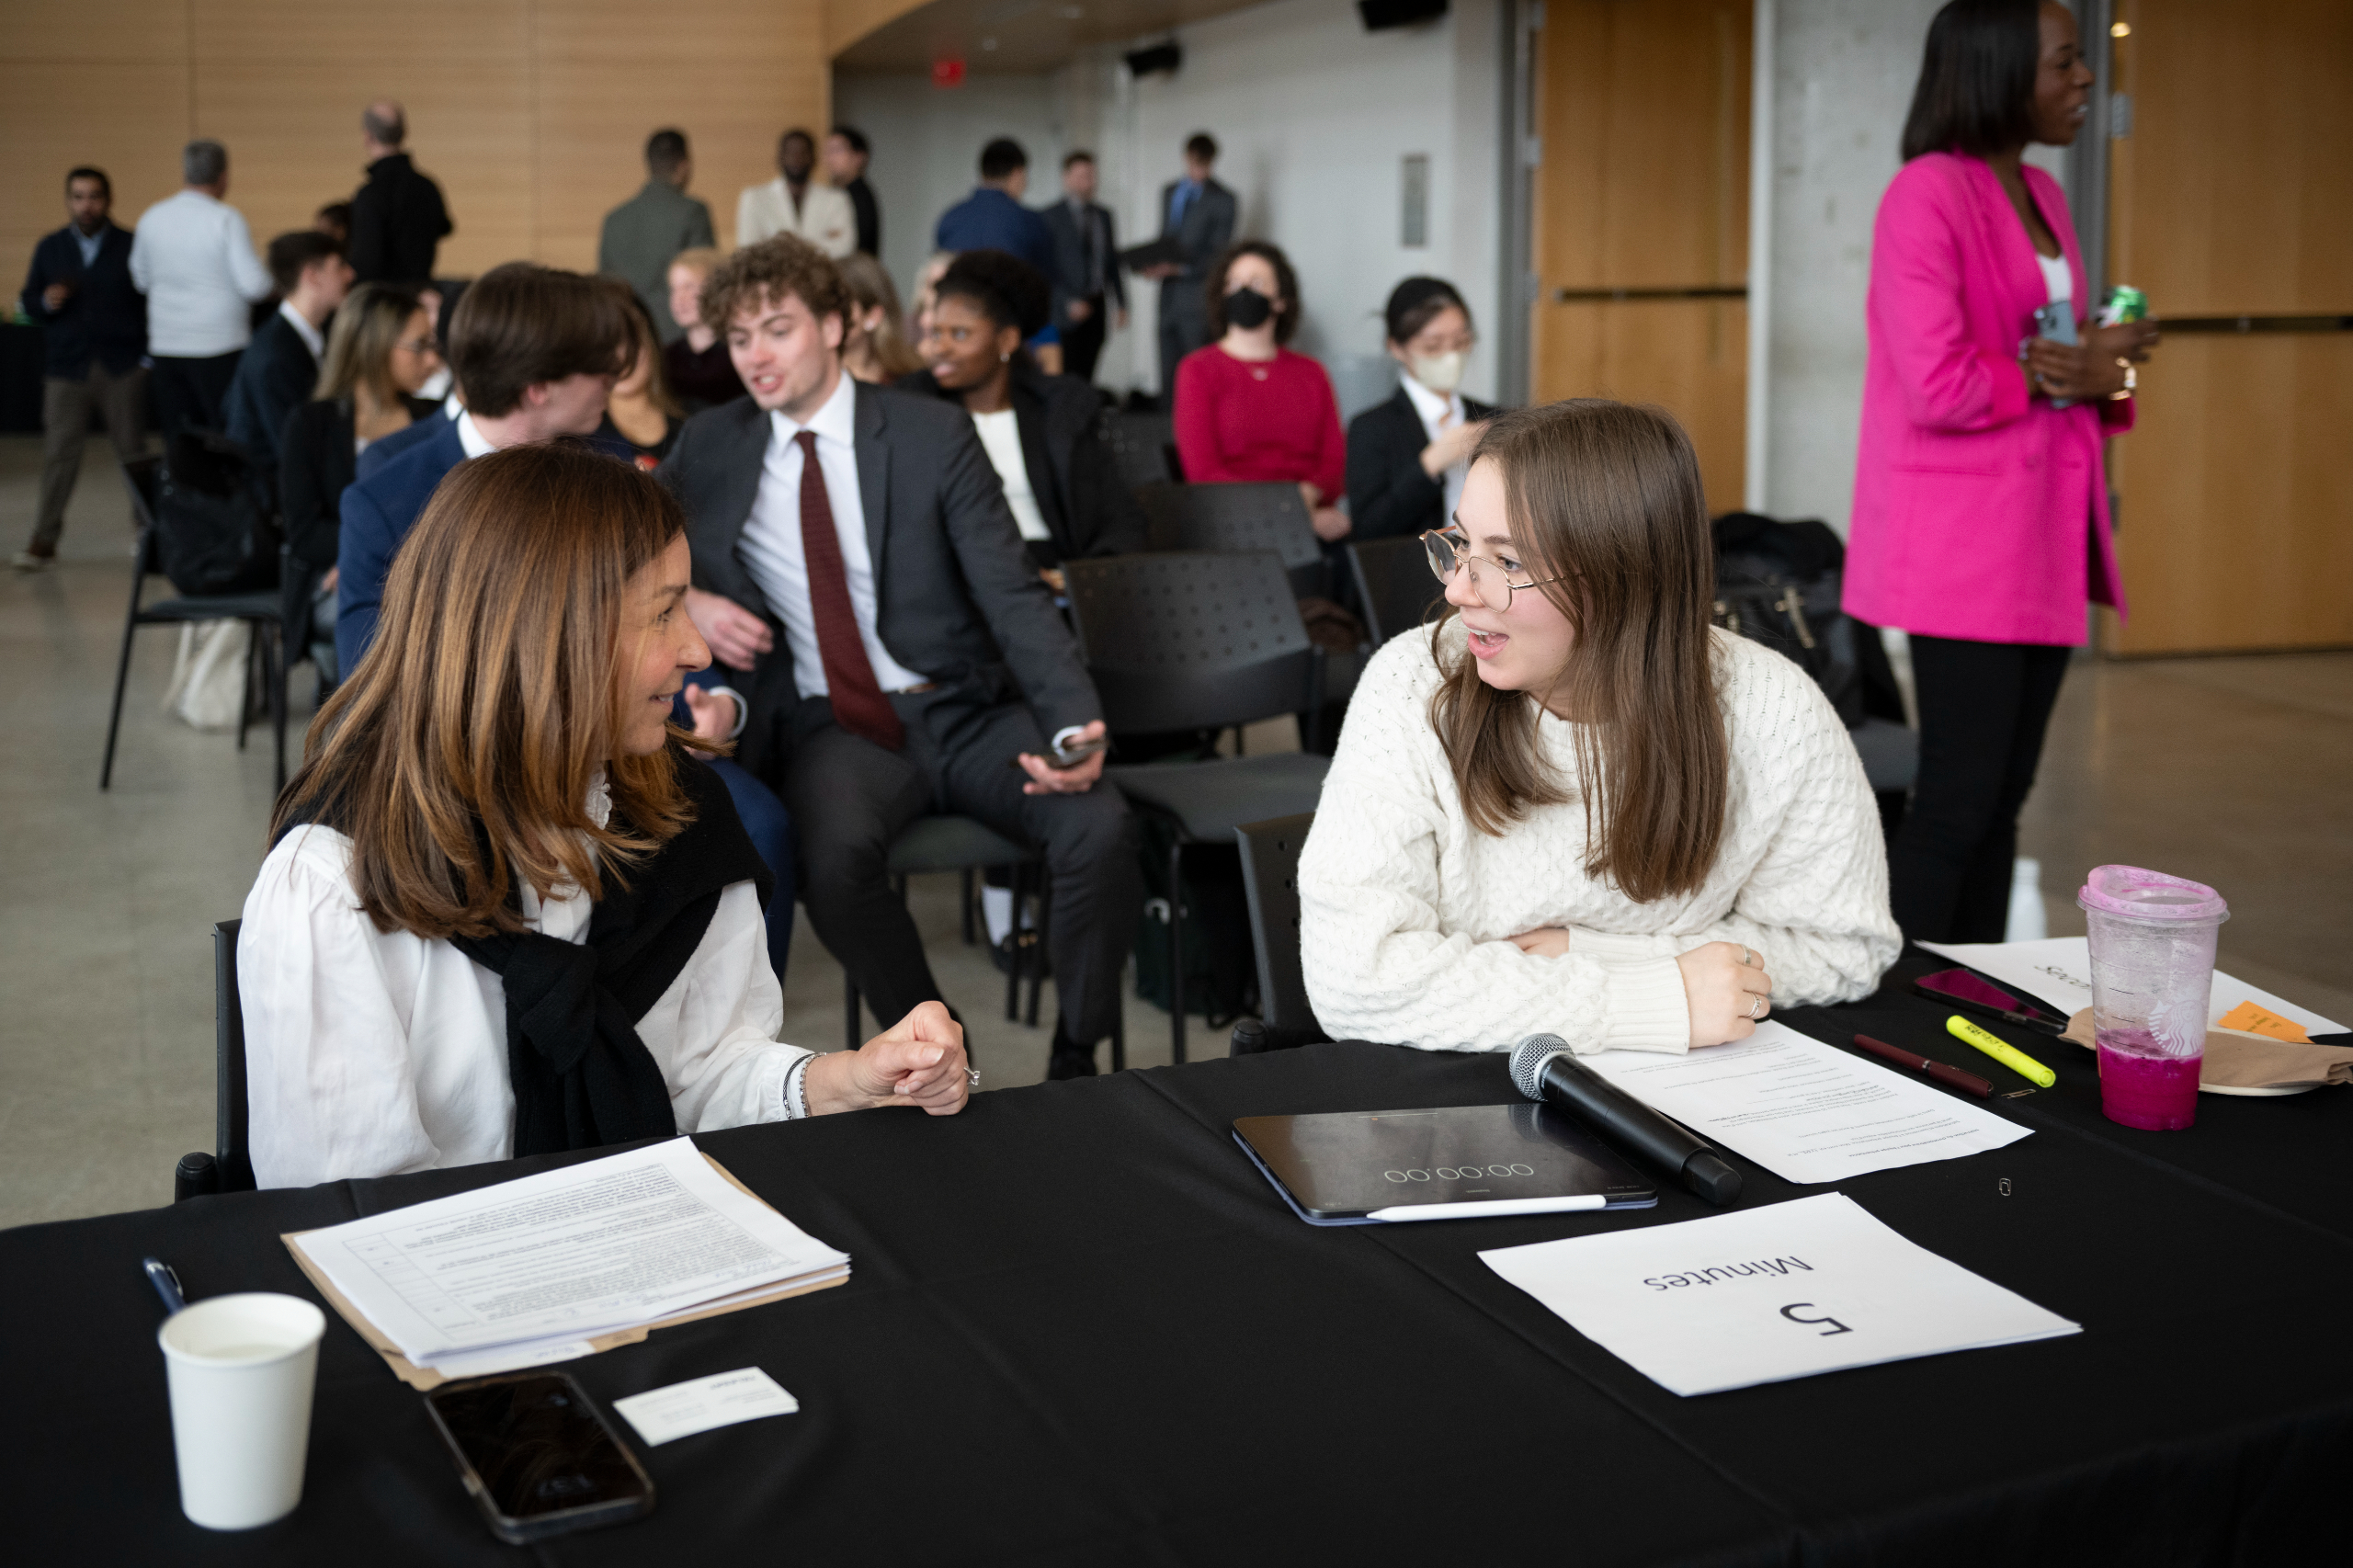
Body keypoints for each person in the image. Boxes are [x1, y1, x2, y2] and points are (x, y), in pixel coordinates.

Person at [242, 443, 969, 1187]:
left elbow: (703, 1075)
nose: (695, 648)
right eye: (662, 615)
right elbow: (353, 1213)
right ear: (542, 638)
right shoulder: (335, 885)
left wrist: (851, 1078)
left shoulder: (678, 816)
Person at [660, 236, 1141, 1079]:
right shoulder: (712, 444)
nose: (758, 357)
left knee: (1098, 825)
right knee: (833, 864)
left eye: (779, 329)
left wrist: (1073, 721)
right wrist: (692, 599)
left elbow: (1011, 590)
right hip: (838, 725)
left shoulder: (930, 432)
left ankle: (1078, 1049)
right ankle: (944, 1043)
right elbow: (632, 546)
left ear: (838, 323)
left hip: (967, 706)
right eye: (740, 339)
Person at [1299, 400, 1900, 1054]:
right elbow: (1354, 979)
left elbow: (1842, 947)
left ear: (1626, 582)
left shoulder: (1772, 708)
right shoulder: (1414, 685)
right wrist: (1653, 996)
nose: (1460, 592)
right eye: (1461, 544)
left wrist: (1597, 955)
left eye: (1508, 563)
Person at [1847, 0, 2158, 943]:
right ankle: (1881, 1011)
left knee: (2004, 803)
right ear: (1994, 72)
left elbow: (2069, 356)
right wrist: (2049, 367)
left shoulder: (2046, 195)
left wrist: (2116, 361)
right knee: (1953, 802)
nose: (2083, 79)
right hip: (1964, 547)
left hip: (2044, 527)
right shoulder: (1925, 195)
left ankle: (1971, 995)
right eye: (2064, 62)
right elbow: (1937, 381)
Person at [336, 262, 631, 672]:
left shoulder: (613, 466)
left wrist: (716, 703)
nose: (613, 382)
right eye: (602, 369)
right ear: (538, 387)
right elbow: (368, 673)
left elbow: (649, 613)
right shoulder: (384, 502)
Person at [903, 249, 1147, 577]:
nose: (940, 347)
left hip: (1055, 572)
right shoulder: (914, 407)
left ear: (1007, 340)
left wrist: (1077, 579)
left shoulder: (1059, 409)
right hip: (958, 578)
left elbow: (1120, 519)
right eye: (936, 333)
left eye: (959, 334)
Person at [278, 283, 442, 684]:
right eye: (419, 345)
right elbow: (304, 533)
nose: (434, 360)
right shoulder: (311, 424)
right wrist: (358, 554)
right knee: (381, 615)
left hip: (420, 575)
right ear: (376, 347)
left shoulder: (432, 419)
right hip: (328, 579)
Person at [16, 166, 145, 573]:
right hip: (67, 368)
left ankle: (148, 534)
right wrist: (45, 304)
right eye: (78, 196)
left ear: (107, 200)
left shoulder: (131, 244)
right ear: (68, 200)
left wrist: (146, 358)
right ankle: (44, 539)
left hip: (121, 366)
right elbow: (28, 302)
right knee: (59, 453)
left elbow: (149, 299)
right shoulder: (51, 246)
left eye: (93, 196)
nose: (86, 204)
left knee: (133, 453)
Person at [1172, 241, 1347, 541]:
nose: (1243, 291)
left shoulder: (1311, 373)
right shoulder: (1197, 370)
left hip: (1309, 523)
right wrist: (1286, 506)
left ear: (1280, 300)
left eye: (1256, 283)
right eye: (1234, 283)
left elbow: (1334, 465)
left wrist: (1310, 496)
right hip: (1233, 527)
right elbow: (1203, 474)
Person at [129, 140, 273, 440]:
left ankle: (184, 489)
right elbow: (255, 286)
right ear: (223, 176)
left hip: (166, 346)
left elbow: (140, 279)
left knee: (180, 440)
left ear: (184, 172)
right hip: (221, 347)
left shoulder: (152, 217)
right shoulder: (226, 219)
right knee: (226, 435)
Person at [1347, 277, 1496, 543]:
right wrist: (1431, 463)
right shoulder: (1370, 428)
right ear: (1396, 347)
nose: (1450, 355)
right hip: (1414, 575)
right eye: (1432, 346)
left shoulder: (1495, 419)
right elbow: (1368, 530)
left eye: (1461, 342)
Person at [223, 232, 354, 471]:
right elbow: (292, 450)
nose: (350, 274)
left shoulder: (307, 333)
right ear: (312, 277)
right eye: (340, 266)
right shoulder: (275, 354)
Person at [1143, 133, 1236, 408]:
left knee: (1196, 376)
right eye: (1194, 163)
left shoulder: (1224, 200)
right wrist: (1153, 263)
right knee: (1167, 374)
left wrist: (1180, 268)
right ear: (1186, 159)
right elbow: (1166, 237)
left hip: (1196, 299)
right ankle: (1164, 441)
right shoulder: (1171, 191)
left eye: (1204, 165)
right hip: (1167, 297)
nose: (1198, 171)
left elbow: (1220, 254)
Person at [599, 129, 716, 345]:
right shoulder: (694, 212)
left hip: (628, 339)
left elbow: (605, 290)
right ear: (684, 166)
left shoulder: (614, 219)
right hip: (681, 341)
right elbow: (706, 280)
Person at [1042, 151, 1125, 385]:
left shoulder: (1104, 216)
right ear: (1066, 178)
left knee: (1089, 372)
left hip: (1097, 304)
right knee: (1067, 372)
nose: (1087, 182)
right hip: (1066, 309)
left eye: (1091, 176)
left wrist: (1121, 302)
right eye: (1081, 176)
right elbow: (1046, 268)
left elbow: (1111, 261)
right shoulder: (1050, 217)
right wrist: (1065, 301)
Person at [347, 100, 452, 286]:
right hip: (420, 295)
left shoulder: (370, 195)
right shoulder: (427, 186)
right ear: (404, 133)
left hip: (384, 302)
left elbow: (367, 262)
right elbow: (444, 227)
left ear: (367, 137)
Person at [932, 139, 1054, 278]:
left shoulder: (949, 218)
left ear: (983, 173)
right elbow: (1045, 282)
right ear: (1018, 173)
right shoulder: (1029, 221)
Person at [737, 129, 856, 257]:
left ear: (814, 158)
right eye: (791, 152)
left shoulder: (836, 199)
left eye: (803, 152)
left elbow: (844, 247)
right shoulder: (755, 198)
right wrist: (815, 246)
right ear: (779, 158)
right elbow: (749, 248)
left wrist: (783, 249)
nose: (797, 158)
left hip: (822, 275)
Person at [605, 286, 684, 468]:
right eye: (607, 342)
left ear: (651, 339)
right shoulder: (576, 436)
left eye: (631, 337)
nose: (623, 356)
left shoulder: (698, 421)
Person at [663, 247, 746, 410]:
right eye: (674, 289)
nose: (679, 298)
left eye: (689, 287)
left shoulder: (739, 350)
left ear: (718, 289)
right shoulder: (667, 358)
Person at [837, 251, 925, 385]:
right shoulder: (812, 381)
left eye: (841, 305)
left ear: (873, 315)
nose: (828, 316)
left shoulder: (911, 382)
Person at [825, 125, 881, 257]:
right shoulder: (836, 193)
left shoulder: (860, 197)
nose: (830, 158)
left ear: (859, 157)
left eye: (837, 150)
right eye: (827, 151)